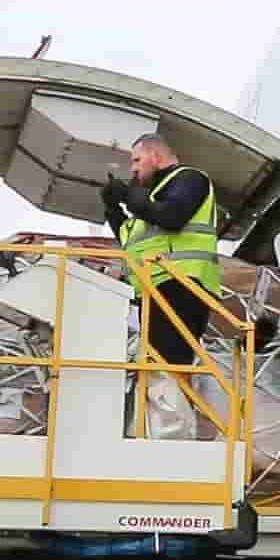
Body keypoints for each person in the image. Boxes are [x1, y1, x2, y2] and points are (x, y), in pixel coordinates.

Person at [107, 131, 236, 413]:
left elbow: (172, 217)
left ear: (156, 156)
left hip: (181, 285)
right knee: (157, 369)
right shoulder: (150, 201)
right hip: (155, 291)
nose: (134, 168)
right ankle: (161, 431)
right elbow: (132, 240)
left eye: (137, 160)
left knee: (166, 368)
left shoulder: (189, 179)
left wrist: (131, 197)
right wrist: (112, 209)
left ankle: (172, 434)